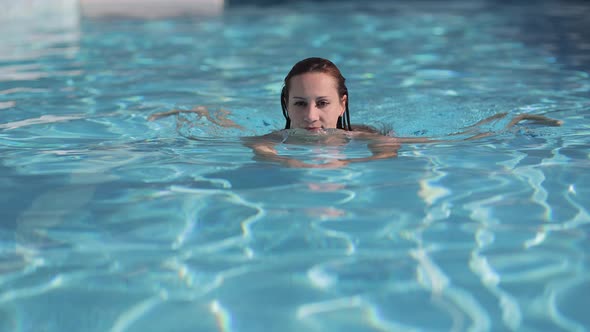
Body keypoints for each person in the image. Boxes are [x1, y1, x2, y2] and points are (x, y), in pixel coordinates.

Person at [149, 57, 562, 168]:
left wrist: (512, 121)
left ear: (342, 104)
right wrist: (293, 164)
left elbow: (412, 145)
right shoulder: (277, 137)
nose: (311, 115)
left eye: (323, 103)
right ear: (286, 104)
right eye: (300, 103)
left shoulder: (358, 135)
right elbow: (262, 151)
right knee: (221, 122)